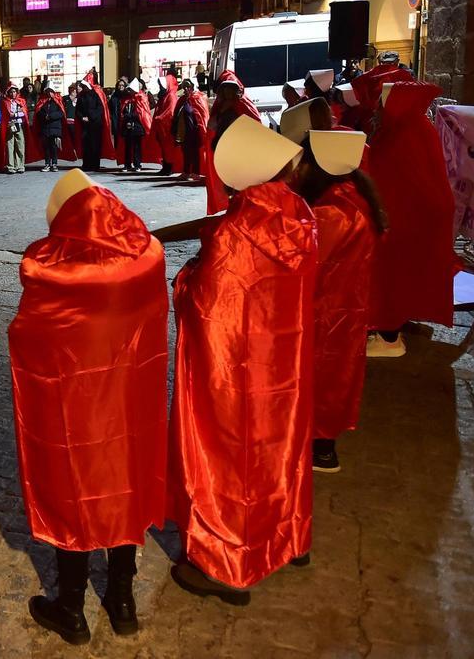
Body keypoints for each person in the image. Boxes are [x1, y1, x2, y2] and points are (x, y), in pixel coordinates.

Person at [11, 170, 167, 643]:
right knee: (127, 484)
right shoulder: (146, 259)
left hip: (73, 408)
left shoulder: (51, 270)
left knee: (69, 489)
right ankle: (122, 600)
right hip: (130, 406)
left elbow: (27, 332)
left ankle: (72, 607)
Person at [168, 117, 316, 604]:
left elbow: (208, 305)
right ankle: (288, 536)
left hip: (232, 371)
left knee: (231, 459)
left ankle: (224, 563)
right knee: (282, 449)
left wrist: (187, 277)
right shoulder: (300, 217)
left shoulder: (234, 233)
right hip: (285, 366)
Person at [281, 100, 386, 471]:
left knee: (320, 376)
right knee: (334, 375)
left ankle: (320, 445)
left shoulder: (333, 214)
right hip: (343, 309)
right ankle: (322, 441)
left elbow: (293, 255)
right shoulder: (352, 195)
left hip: (326, 312)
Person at [365, 81, 455, 357]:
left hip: (403, 223)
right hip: (406, 220)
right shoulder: (408, 128)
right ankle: (394, 326)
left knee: (391, 278)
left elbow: (395, 182)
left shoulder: (405, 135)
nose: (378, 108)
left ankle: (389, 338)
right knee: (400, 279)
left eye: (382, 102)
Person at [203, 71, 263, 214]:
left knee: (241, 184)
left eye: (231, 88)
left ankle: (242, 209)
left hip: (241, 151)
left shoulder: (243, 104)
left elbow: (255, 123)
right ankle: (234, 208)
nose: (228, 91)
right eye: (226, 89)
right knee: (229, 184)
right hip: (225, 151)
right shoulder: (220, 106)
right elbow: (211, 125)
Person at [173, 78, 209, 181]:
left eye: (188, 86)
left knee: (195, 152)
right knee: (185, 151)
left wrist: (200, 128)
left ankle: (196, 172)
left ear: (192, 86)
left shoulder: (198, 98)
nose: (186, 88)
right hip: (184, 131)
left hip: (195, 130)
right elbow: (176, 113)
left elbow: (202, 114)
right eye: (184, 86)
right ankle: (186, 171)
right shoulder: (182, 99)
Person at [74, 78, 109, 173]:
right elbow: (78, 110)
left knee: (95, 145)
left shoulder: (96, 95)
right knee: (86, 145)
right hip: (85, 125)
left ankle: (95, 165)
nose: (83, 88)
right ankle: (86, 164)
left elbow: (100, 109)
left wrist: (91, 117)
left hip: (96, 125)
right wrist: (82, 118)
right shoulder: (81, 97)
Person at [151, 73, 182, 176]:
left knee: (168, 148)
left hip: (168, 128)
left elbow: (170, 112)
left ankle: (169, 167)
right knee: (164, 149)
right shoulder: (164, 96)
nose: (160, 87)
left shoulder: (171, 96)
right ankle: (165, 167)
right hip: (162, 127)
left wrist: (159, 118)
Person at [118, 79, 152, 173]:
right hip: (127, 126)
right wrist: (125, 117)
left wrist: (129, 116)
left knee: (137, 147)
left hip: (137, 126)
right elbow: (123, 110)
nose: (130, 91)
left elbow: (142, 113)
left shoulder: (141, 98)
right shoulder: (127, 100)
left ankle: (137, 164)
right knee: (127, 147)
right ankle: (127, 164)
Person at [34, 81, 67, 173]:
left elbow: (61, 113)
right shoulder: (42, 101)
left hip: (55, 128)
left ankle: (55, 164)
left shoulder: (58, 101)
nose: (49, 93)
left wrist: (51, 116)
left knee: (54, 147)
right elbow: (38, 112)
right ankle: (47, 163)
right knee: (46, 147)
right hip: (45, 128)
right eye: (47, 91)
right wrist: (44, 116)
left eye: (51, 91)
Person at [0, 85, 30, 174]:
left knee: (20, 145)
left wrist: (16, 114)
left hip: (19, 125)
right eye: (11, 92)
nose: (13, 94)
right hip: (10, 126)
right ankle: (11, 166)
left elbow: (24, 113)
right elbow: (7, 114)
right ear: (8, 93)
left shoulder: (21, 101)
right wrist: (17, 112)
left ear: (17, 92)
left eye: (14, 92)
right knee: (10, 146)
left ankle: (20, 165)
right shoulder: (5, 102)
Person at [108, 77, 129, 167]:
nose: (121, 87)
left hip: (125, 121)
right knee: (117, 141)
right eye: (119, 85)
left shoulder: (127, 96)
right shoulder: (114, 97)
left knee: (126, 142)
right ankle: (120, 158)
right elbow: (109, 108)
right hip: (116, 121)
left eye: (122, 85)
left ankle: (127, 161)